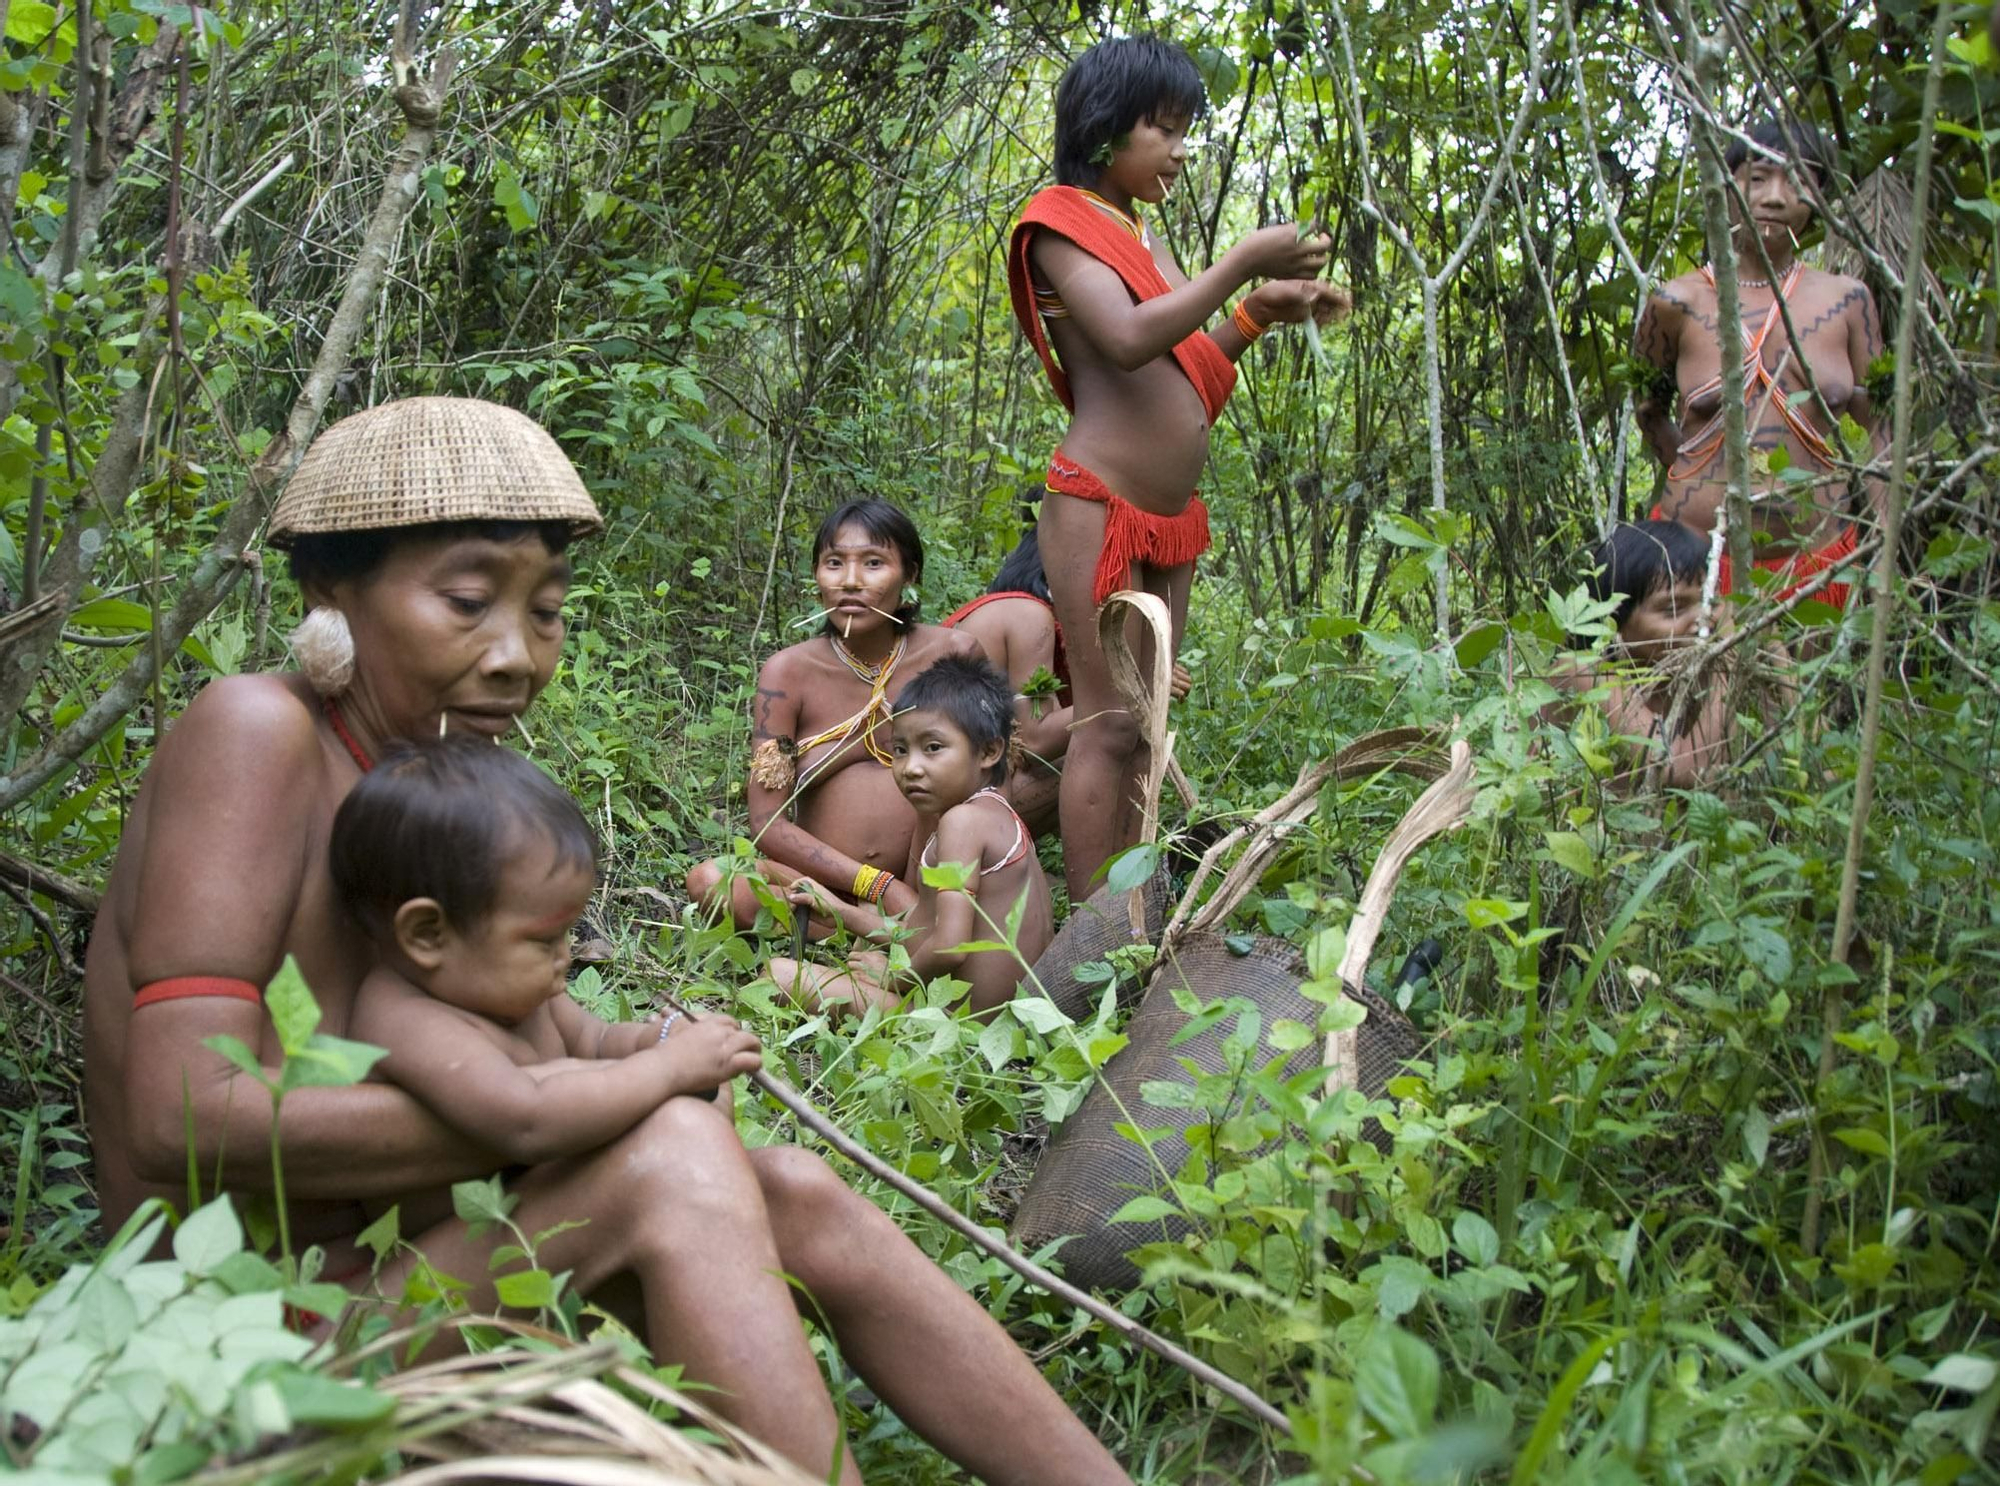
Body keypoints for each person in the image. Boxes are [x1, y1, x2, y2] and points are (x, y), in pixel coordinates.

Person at [81, 397, 1132, 1486]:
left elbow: (543, 1032)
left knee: (796, 1192)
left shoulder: (432, 792)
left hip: (400, 1267)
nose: (515, 655)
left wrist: (643, 1053)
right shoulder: (257, 733)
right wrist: (579, 1113)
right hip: (229, 1341)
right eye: (466, 603)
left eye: (544, 611)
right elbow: (183, 1116)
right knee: (666, 1163)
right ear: (327, 591)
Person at [1010, 35, 1350, 899]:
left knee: (1145, 725)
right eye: (1162, 129)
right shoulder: (1057, 222)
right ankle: (1094, 939)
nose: (1180, 149)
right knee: (1107, 722)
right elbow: (1127, 343)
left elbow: (1183, 381)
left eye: (1185, 129)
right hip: (1099, 502)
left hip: (1171, 519)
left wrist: (1256, 313)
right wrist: (1240, 260)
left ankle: (1129, 919)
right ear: (1105, 128)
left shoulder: (1138, 233)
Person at [335, 737, 760, 1183]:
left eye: (567, 934)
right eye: (544, 940)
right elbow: (529, 1118)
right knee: (686, 1138)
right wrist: (670, 1068)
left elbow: (597, 1043)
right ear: (428, 934)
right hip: (485, 1240)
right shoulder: (405, 1021)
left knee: (797, 1178)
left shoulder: (517, 993)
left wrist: (663, 1037)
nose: (565, 955)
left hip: (560, 1212)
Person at [684, 499, 983, 935]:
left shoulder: (954, 654)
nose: (850, 581)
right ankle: (868, 932)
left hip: (934, 884)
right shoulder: (789, 673)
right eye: (834, 563)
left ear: (911, 573)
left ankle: (905, 933)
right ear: (816, 578)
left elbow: (988, 783)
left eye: (874, 563)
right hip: (819, 888)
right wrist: (877, 885)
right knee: (712, 881)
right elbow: (767, 823)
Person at [1631, 117, 1884, 609]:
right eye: (1758, 178)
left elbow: (1881, 429)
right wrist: (1695, 475)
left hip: (1816, 561)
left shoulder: (1849, 302)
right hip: (1693, 558)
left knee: (1804, 688)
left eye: (1798, 181)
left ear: (1819, 196)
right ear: (1728, 189)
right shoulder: (1675, 302)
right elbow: (1648, 408)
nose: (1775, 197)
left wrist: (1881, 541)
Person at [771, 654, 1055, 1020]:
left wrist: (893, 978)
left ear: (989, 751)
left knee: (779, 976)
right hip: (1000, 1016)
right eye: (900, 751)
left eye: (933, 748)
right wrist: (840, 911)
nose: (911, 768)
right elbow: (924, 931)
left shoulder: (963, 822)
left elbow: (951, 947)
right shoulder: (994, 814)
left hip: (960, 1024)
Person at [945, 522, 1194, 839]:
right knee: (1112, 745)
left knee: (1112, 737)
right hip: (946, 802)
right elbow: (1036, 743)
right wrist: (1136, 688)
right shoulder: (1027, 615)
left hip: (959, 790)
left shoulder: (1033, 618)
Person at [1551, 520, 1786, 788]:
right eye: (1673, 609)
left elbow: (1814, 760)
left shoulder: (1697, 672)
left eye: (1711, 601)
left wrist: (1775, 650)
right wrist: (1728, 657)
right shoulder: (1581, 671)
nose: (1703, 619)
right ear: (1613, 623)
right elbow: (1678, 770)